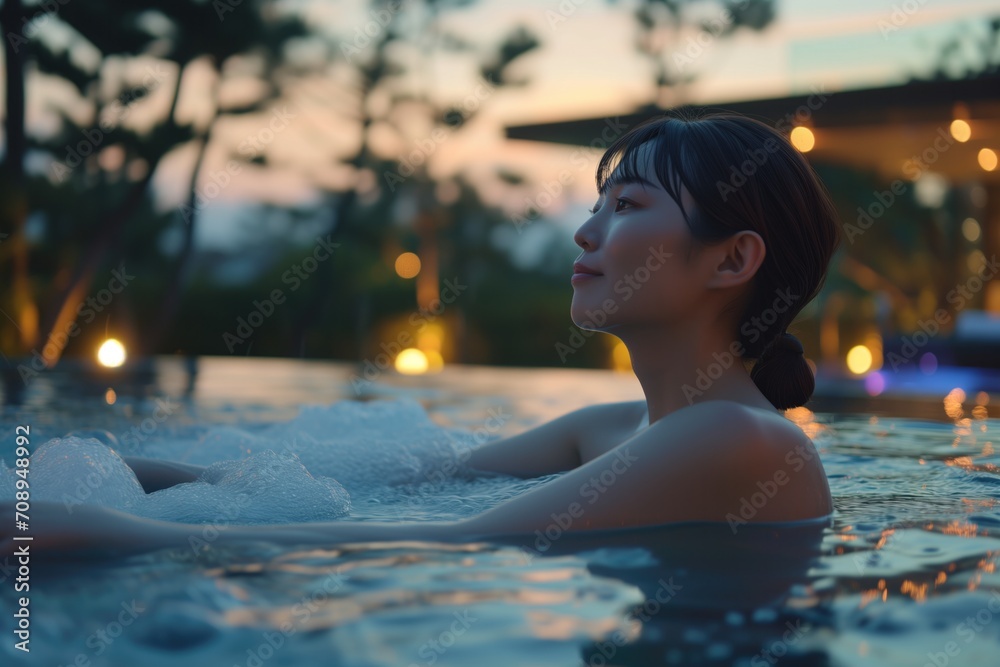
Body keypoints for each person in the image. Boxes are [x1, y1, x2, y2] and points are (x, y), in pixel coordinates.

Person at [2, 111, 840, 557]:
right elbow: (404, 485)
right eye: (594, 206)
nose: (586, 234)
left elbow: (452, 542)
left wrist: (92, 530)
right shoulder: (614, 428)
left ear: (733, 259)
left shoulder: (744, 440)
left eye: (626, 208)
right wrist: (109, 468)